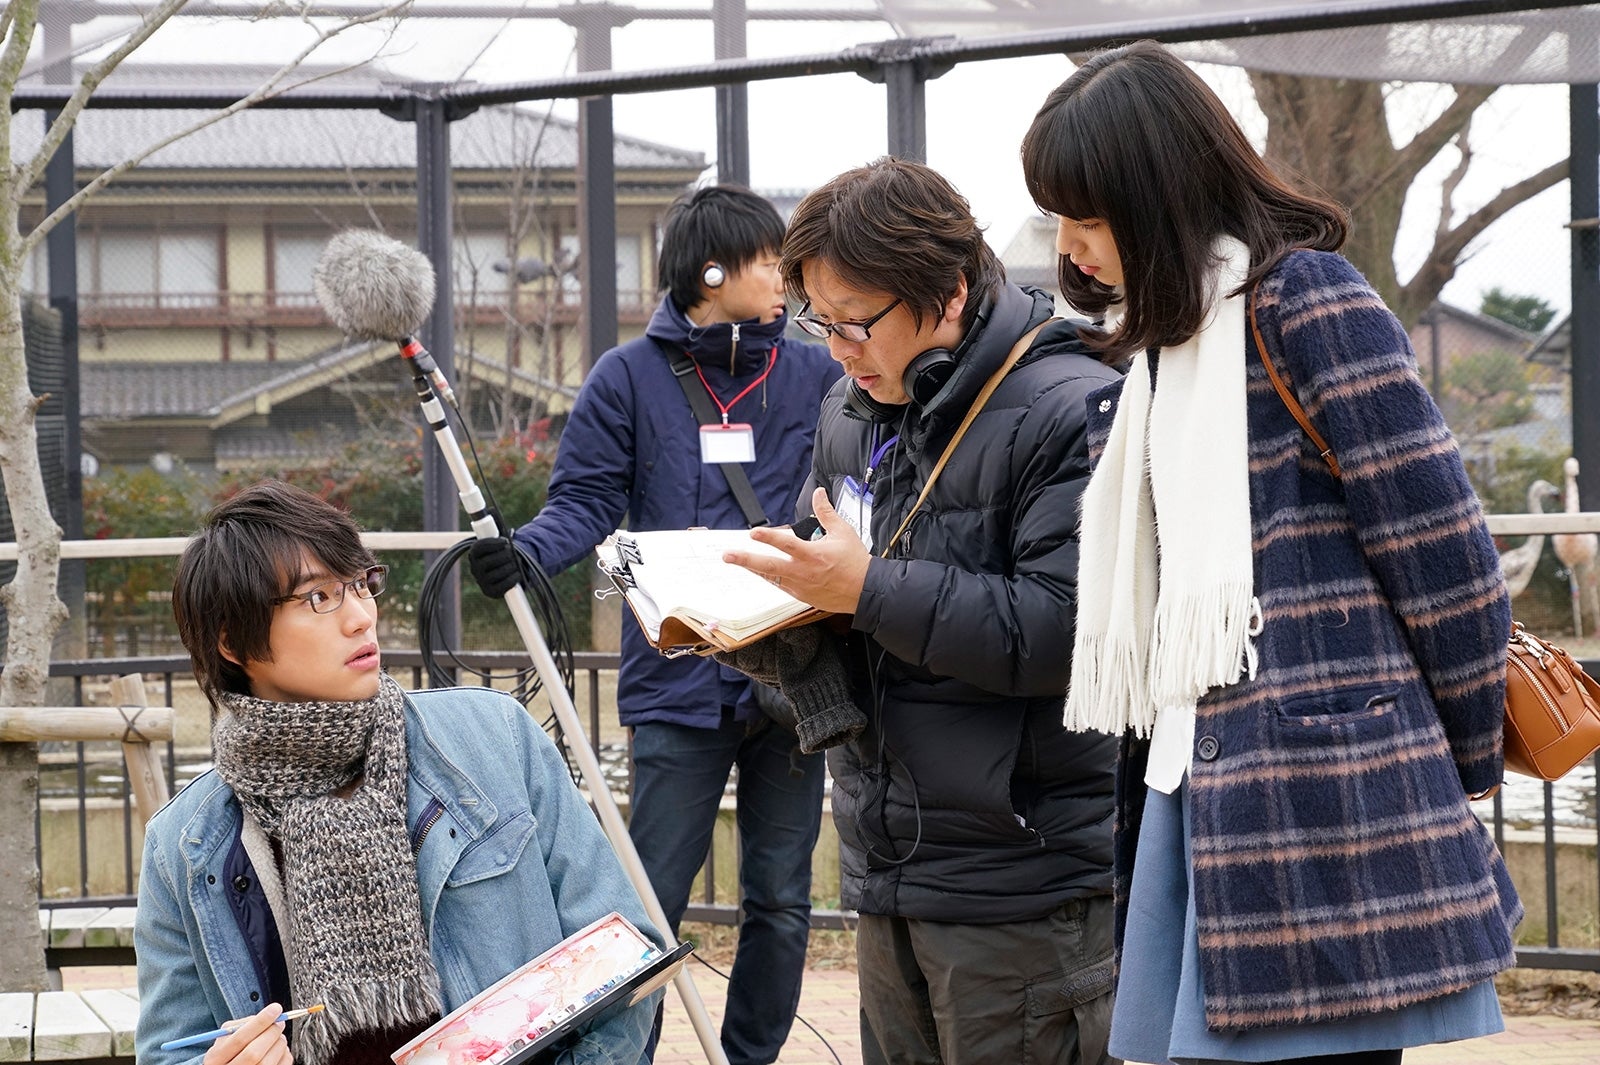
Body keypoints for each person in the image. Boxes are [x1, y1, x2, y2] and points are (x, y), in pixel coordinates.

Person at [1020, 40, 1522, 1065]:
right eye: (1060, 221)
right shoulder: (1147, 360)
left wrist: (1458, 762)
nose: (1072, 249)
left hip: (1326, 801)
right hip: (1189, 790)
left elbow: (1441, 549)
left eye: (1089, 216)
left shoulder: (1307, 304)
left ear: (1157, 194)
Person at [718, 158, 1121, 1065]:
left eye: (854, 323)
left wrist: (865, 591)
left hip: (1020, 876)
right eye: (819, 323)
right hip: (887, 858)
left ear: (947, 296)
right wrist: (744, 620)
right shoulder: (852, 405)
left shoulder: (1071, 404)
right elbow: (831, 568)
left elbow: (1064, 630)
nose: (837, 349)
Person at [466, 185, 841, 1065]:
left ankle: (749, 1057)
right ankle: (621, 1057)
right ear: (709, 271)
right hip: (677, 679)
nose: (781, 278)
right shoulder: (627, 377)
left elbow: (850, 499)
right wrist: (524, 553)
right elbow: (586, 501)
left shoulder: (818, 374)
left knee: (783, 896)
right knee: (646, 896)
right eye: (764, 261)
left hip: (795, 673)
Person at [136, 481, 663, 1065]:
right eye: (318, 598)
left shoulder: (495, 739)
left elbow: (624, 952)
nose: (363, 618)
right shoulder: (185, 845)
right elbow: (167, 1051)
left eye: (361, 584)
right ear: (233, 642)